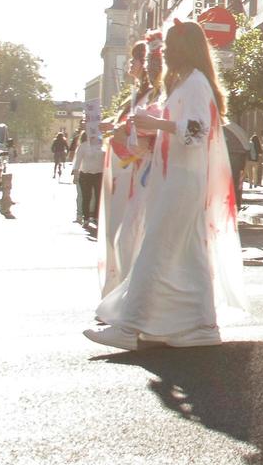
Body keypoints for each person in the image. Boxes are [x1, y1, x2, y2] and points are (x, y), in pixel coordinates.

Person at [87, 20, 249, 351]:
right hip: (176, 177)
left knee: (155, 252)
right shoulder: (189, 83)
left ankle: (129, 326)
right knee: (189, 253)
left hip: (181, 179)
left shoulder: (194, 84)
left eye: (170, 46)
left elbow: (197, 131)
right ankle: (202, 325)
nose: (164, 52)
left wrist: (155, 122)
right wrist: (147, 127)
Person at [98, 38, 157, 297]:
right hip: (123, 171)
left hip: (135, 172)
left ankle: (126, 295)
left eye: (134, 60)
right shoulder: (135, 94)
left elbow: (146, 133)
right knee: (120, 235)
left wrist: (121, 133)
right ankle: (119, 292)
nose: (130, 65)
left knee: (127, 237)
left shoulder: (151, 95)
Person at [72, 132, 106, 231]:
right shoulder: (83, 146)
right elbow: (78, 161)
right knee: (87, 197)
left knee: (98, 196)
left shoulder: (102, 145)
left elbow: (106, 159)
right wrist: (75, 174)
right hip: (85, 174)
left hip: (99, 174)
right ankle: (86, 218)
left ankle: (95, 217)